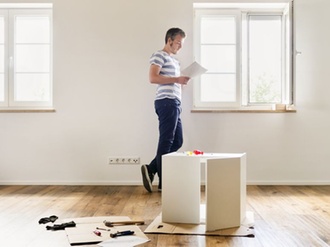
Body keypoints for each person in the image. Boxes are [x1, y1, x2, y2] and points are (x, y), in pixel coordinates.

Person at [141, 27, 190, 193]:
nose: (180, 47)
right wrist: (177, 79)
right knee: (166, 141)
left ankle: (151, 168)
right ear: (169, 40)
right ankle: (164, 182)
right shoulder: (159, 55)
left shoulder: (176, 62)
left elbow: (173, 81)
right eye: (178, 43)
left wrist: (180, 83)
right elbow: (153, 78)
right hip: (166, 102)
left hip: (175, 103)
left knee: (177, 141)